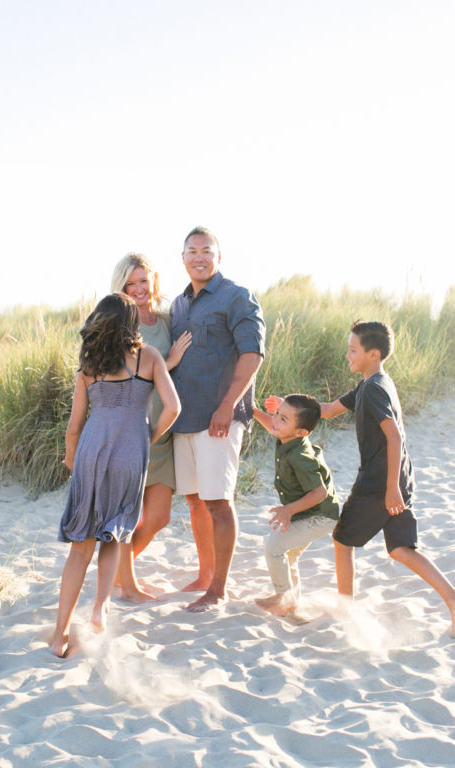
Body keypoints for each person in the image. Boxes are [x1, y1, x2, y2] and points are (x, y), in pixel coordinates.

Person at [274, 320, 455, 638]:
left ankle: (344, 607)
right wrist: (285, 408)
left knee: (341, 538)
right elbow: (325, 410)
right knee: (401, 549)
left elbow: (394, 438)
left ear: (373, 354)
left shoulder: (375, 389)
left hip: (381, 482)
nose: (347, 355)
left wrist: (391, 489)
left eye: (353, 350)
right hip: (398, 476)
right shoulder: (371, 383)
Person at [50, 293, 180, 658]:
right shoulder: (150, 358)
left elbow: (74, 427)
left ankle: (60, 632)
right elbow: (174, 407)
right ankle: (99, 609)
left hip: (92, 451)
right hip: (130, 454)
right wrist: (150, 436)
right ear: (132, 324)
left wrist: (72, 461)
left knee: (81, 547)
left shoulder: (90, 365)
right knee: (113, 535)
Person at [169, 226, 266, 612]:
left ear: (218, 256)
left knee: (218, 502)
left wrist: (227, 406)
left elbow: (253, 354)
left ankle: (219, 589)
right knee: (195, 500)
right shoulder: (178, 305)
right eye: (191, 250)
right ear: (182, 258)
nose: (199, 256)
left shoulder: (236, 296)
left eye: (206, 250)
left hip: (218, 418)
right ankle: (205, 574)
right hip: (185, 417)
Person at [110, 253, 192, 603]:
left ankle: (115, 570)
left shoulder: (168, 320)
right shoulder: (120, 326)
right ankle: (127, 585)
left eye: (144, 281)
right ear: (122, 288)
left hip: (163, 429)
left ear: (153, 281)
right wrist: (169, 361)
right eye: (131, 283)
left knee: (158, 516)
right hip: (131, 429)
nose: (139, 289)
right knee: (127, 514)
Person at [251, 394, 339, 621]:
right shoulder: (288, 436)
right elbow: (271, 425)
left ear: (302, 433)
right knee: (288, 555)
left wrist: (289, 510)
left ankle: (284, 599)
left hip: (320, 515)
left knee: (274, 547)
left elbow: (319, 493)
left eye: (283, 419)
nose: (275, 421)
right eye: (277, 414)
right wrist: (251, 410)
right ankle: (292, 602)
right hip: (308, 512)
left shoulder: (301, 455)